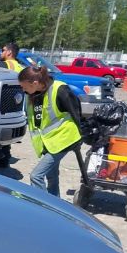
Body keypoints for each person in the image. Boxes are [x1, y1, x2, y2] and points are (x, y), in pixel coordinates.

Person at [18, 65, 83, 197]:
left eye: (24, 86)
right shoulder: (33, 94)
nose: (23, 89)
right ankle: (56, 204)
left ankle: (43, 207)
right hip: (49, 142)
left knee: (36, 176)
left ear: (35, 83)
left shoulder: (59, 89)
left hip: (64, 140)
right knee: (51, 176)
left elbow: (76, 112)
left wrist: (80, 137)